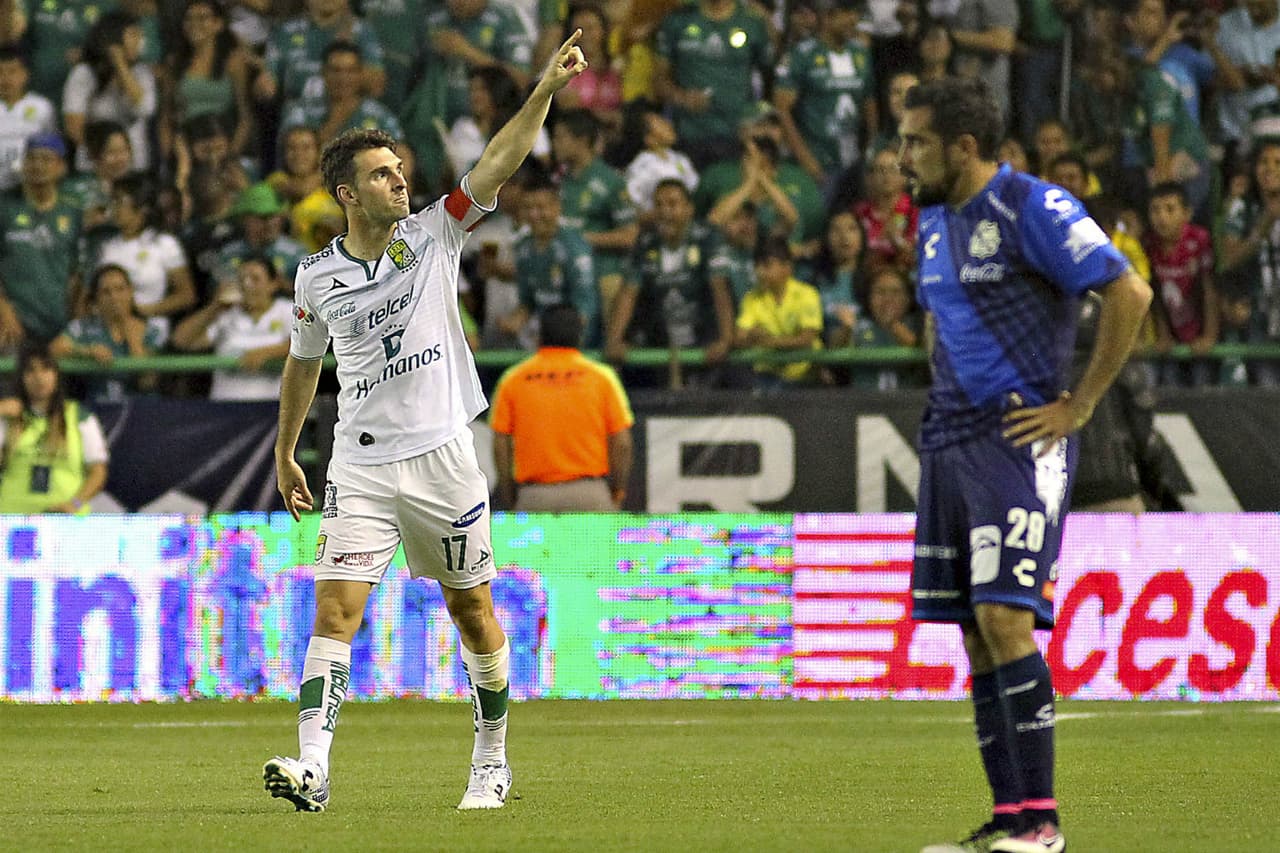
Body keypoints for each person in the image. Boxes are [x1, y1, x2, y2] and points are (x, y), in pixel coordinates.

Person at [264, 30, 588, 814]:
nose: (399, 180)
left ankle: (492, 759)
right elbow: (305, 363)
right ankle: (313, 767)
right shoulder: (316, 276)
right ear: (348, 193)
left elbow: (500, 161)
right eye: (382, 174)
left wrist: (542, 89)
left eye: (400, 168)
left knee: (471, 610)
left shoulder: (434, 233)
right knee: (335, 609)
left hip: (443, 457)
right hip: (360, 465)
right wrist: (286, 452)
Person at [899, 77, 1151, 853]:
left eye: (915, 142)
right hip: (950, 441)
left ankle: (1042, 822)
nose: (902, 158)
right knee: (976, 632)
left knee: (1008, 620)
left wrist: (1076, 406)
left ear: (964, 147)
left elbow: (1129, 292)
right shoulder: (934, 221)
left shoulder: (1030, 206)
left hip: (1019, 440)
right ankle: (1008, 819)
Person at [490, 304, 634, 511]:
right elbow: (622, 444)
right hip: (590, 495)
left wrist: (511, 495)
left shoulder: (513, 380)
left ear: (540, 336)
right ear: (579, 336)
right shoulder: (602, 378)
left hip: (534, 496)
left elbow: (500, 445)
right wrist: (617, 491)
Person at [0, 345, 109, 515]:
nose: (39, 377)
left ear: (56, 375)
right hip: (15, 521)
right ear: (21, 378)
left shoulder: (80, 416)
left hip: (64, 521)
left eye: (46, 369)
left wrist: (74, 504)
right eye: (30, 371)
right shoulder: (9, 416)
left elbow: (98, 472)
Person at [172, 253, 293, 401]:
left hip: (270, 411)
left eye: (255, 279)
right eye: (242, 279)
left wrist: (268, 352)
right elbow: (181, 341)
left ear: (273, 283)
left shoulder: (287, 310)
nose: (247, 285)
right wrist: (215, 307)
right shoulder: (225, 315)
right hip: (225, 409)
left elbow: (311, 343)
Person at [0, 133, 82, 349]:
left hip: (59, 324)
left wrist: (74, 325)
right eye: (32, 158)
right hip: (13, 323)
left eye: (46, 159)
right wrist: (5, 311)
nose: (37, 165)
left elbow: (77, 272)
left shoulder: (73, 211)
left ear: (61, 166)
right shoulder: (5, 208)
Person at [50, 263, 165, 402]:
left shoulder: (152, 331)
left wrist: (134, 340)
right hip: (97, 410)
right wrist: (87, 352)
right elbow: (52, 350)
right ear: (96, 298)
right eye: (106, 292)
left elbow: (148, 382)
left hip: (141, 410)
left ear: (131, 292)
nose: (114, 297)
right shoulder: (82, 327)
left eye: (120, 289)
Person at [1142, 181, 1218, 386]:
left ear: (1187, 213)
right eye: (1155, 210)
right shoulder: (1148, 244)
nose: (1162, 217)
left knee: (1202, 388)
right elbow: (1153, 291)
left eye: (1170, 209)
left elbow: (1209, 288)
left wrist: (1209, 335)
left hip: (1200, 333)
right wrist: (1163, 332)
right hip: (1171, 337)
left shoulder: (1200, 240)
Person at [733, 236, 824, 388]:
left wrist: (768, 341)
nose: (760, 271)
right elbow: (740, 338)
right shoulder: (751, 298)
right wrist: (751, 337)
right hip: (767, 378)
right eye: (757, 265)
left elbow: (806, 338)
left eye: (767, 265)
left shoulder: (807, 294)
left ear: (787, 268)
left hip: (806, 377)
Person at [0, 45, 56, 194]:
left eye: (12, 72)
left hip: (29, 186)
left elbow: (52, 148)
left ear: (25, 74)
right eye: (0, 73)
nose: (5, 79)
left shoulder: (42, 106)